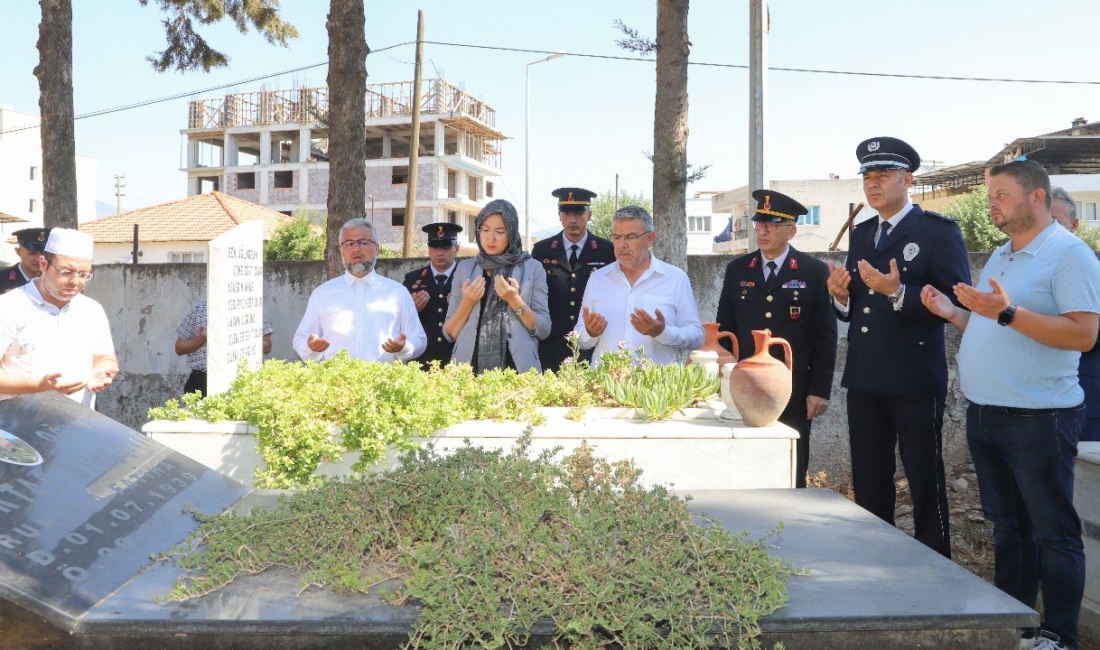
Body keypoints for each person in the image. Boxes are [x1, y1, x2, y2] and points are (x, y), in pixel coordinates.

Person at [921, 160, 1099, 650]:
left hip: (1039, 417)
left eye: (1001, 194)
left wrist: (1007, 312)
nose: (991, 204)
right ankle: (1015, 626)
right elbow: (997, 325)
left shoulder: (1070, 255)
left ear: (1036, 196)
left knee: (1053, 533)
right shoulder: (1003, 253)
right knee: (1009, 529)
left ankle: (1058, 636)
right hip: (987, 413)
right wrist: (955, 313)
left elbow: (1084, 335)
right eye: (990, 196)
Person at [827, 136, 970, 558]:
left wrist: (899, 292)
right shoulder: (863, 234)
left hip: (913, 375)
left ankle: (935, 560)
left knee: (924, 476)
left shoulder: (936, 232)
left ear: (907, 180)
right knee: (869, 476)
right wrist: (840, 297)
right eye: (867, 177)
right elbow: (858, 308)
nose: (872, 184)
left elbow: (956, 303)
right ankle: (878, 557)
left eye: (883, 175)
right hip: (865, 374)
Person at [715, 190, 837, 488]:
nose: (763, 231)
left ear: (791, 231)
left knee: (792, 460)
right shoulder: (738, 269)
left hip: (794, 386)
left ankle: (794, 509)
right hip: (745, 384)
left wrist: (819, 390)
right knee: (744, 458)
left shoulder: (813, 271)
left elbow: (824, 335)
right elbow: (725, 330)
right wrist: (724, 379)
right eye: (759, 224)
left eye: (772, 225)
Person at [0, 228, 118, 407]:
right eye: (66, 271)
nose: (75, 281)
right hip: (16, 422)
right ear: (43, 264)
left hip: (78, 420)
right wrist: (39, 386)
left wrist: (102, 372)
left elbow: (104, 358)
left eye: (83, 274)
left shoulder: (91, 310)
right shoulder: (9, 307)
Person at [576, 205, 704, 365]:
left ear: (650, 238)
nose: (622, 245)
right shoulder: (598, 279)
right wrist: (590, 332)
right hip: (607, 379)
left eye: (631, 237)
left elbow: (697, 336)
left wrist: (663, 332)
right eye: (617, 237)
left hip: (655, 379)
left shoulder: (675, 279)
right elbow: (579, 340)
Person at [293, 218, 426, 363]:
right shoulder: (322, 294)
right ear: (341, 250)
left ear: (376, 248)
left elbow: (419, 340)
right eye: (349, 243)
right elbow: (300, 339)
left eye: (363, 242)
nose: (356, 249)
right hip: (335, 377)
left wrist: (403, 348)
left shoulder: (398, 293)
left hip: (384, 377)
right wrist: (311, 348)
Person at [444, 199, 551, 373]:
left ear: (512, 232)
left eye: (500, 232)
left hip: (518, 370)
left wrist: (514, 300)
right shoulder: (465, 268)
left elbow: (543, 329)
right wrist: (467, 302)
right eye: (485, 230)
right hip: (468, 371)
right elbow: (449, 333)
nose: (490, 238)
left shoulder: (532, 268)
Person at [531, 187, 615, 371]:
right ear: (559, 215)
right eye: (567, 213)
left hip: (592, 346)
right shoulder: (542, 250)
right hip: (551, 346)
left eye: (579, 213)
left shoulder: (607, 251)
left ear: (589, 214)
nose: (573, 220)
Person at [1051, 186, 1100, 442]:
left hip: (1088, 394)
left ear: (1074, 225)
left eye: (1055, 222)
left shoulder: (1089, 266)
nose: (1047, 230)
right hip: (1038, 400)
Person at [174, 301, 273, 397]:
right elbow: (179, 348)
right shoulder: (198, 310)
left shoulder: (249, 308)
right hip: (201, 381)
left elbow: (266, 346)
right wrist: (202, 339)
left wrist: (236, 336)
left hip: (237, 379)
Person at [403, 222, 463, 369]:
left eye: (446, 247)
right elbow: (400, 322)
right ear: (429, 249)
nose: (440, 253)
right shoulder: (412, 279)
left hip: (457, 360)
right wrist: (412, 310)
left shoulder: (467, 279)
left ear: (456, 248)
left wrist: (463, 307)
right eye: (435, 247)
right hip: (422, 362)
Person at [0, 227, 51, 295]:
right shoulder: (2, 279)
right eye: (32, 253)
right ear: (18, 252)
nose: (39, 259)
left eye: (44, 253)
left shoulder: (54, 279)